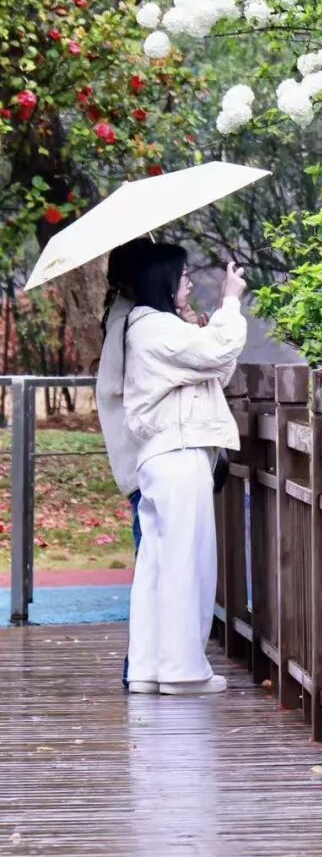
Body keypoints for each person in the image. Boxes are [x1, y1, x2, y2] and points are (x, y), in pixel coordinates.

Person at [123, 246, 247, 696]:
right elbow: (220, 351)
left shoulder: (153, 327)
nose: (189, 282)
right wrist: (229, 302)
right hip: (177, 451)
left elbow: (216, 365)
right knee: (187, 561)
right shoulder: (155, 328)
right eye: (183, 275)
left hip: (164, 453)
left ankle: (149, 668)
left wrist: (201, 322)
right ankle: (182, 671)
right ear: (163, 281)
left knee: (159, 565)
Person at [97, 242, 145, 687]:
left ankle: (141, 666)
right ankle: (139, 667)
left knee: (148, 559)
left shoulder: (122, 315)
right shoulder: (132, 322)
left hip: (132, 461)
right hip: (142, 462)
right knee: (150, 563)